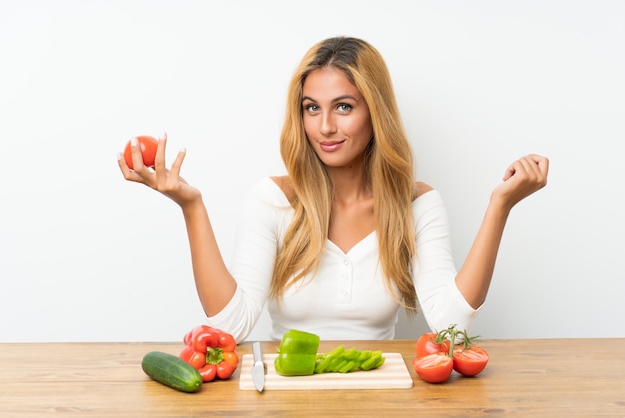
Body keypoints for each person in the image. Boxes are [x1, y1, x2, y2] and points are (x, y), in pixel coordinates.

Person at [118, 36, 549, 343]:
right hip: (287, 392)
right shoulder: (272, 201)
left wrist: (500, 207)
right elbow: (231, 328)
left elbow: (450, 325)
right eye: (312, 108)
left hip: (378, 392)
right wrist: (191, 207)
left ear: (374, 112)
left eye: (343, 107)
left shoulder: (417, 204)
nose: (325, 127)